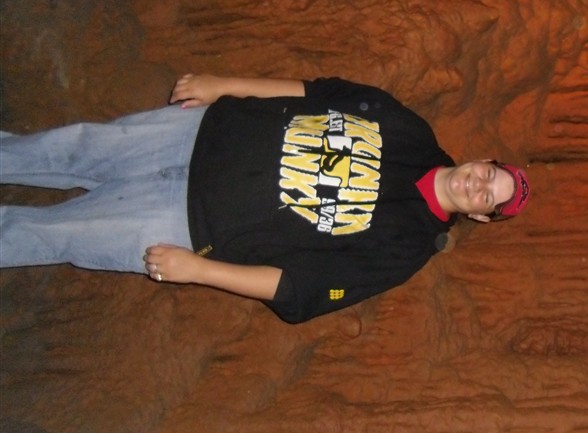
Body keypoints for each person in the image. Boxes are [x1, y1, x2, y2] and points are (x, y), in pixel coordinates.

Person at [0, 74, 531, 322]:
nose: (478, 184)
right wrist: (222, 85)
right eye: (490, 174)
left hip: (185, 222)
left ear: (482, 216)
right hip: (194, 134)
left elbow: (299, 288)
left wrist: (198, 270)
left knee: (48, 234)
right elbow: (314, 91)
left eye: (489, 197)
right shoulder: (408, 128)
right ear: (482, 161)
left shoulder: (406, 247)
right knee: (63, 148)